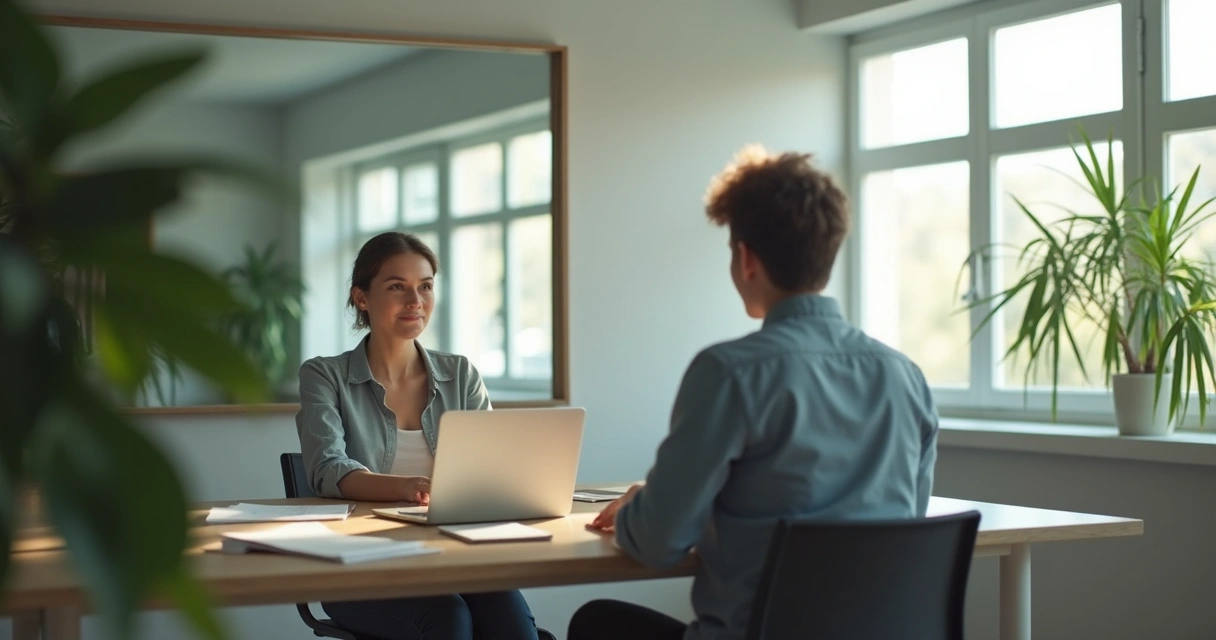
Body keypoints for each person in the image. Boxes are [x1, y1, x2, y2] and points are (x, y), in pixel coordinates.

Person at [568, 146, 939, 640]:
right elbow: (905, 527)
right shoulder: (906, 376)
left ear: (745, 259)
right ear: (828, 253)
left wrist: (643, 507)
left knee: (596, 622)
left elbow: (658, 543)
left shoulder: (729, 373)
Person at [295, 231, 539, 640]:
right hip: (357, 566)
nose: (415, 301)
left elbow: (490, 467)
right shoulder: (324, 375)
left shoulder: (460, 374)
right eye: (397, 287)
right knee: (448, 618)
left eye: (425, 286)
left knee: (513, 627)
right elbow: (327, 468)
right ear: (361, 297)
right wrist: (407, 487)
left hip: (455, 557)